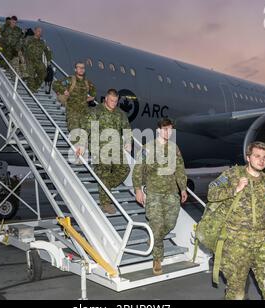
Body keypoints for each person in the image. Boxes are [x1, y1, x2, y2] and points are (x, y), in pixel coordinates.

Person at [207, 141, 265, 300]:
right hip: (235, 243)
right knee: (237, 293)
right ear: (248, 157)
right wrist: (235, 189)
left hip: (263, 242)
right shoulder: (232, 175)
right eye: (257, 156)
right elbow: (211, 193)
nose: (261, 160)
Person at [132, 118, 188, 275]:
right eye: (165, 129)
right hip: (154, 193)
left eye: (170, 129)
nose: (168, 132)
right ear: (158, 130)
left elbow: (180, 169)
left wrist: (183, 188)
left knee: (170, 223)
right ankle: (157, 258)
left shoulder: (174, 148)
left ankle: (154, 238)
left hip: (171, 192)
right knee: (156, 224)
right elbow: (137, 169)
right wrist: (138, 189)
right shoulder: (148, 148)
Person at [77, 89, 131, 214]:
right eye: (111, 100)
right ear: (106, 99)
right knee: (104, 172)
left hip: (116, 147)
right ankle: (106, 203)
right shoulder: (96, 111)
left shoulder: (120, 114)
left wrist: (128, 141)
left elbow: (127, 128)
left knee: (124, 169)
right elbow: (85, 127)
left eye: (116, 101)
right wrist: (82, 145)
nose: (113, 103)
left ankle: (105, 186)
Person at [52, 62, 96, 132]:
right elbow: (55, 84)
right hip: (72, 113)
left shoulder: (87, 83)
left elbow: (93, 93)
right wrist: (63, 90)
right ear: (75, 69)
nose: (81, 69)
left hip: (84, 113)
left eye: (83, 68)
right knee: (74, 133)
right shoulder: (70, 80)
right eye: (79, 67)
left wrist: (90, 98)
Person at [23, 27, 52, 93]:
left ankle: (34, 86)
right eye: (38, 31)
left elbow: (47, 51)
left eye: (41, 31)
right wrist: (22, 58)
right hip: (29, 59)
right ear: (35, 31)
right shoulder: (29, 39)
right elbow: (22, 47)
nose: (40, 33)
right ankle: (30, 89)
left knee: (43, 72)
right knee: (31, 73)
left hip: (38, 60)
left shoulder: (42, 42)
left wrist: (49, 61)